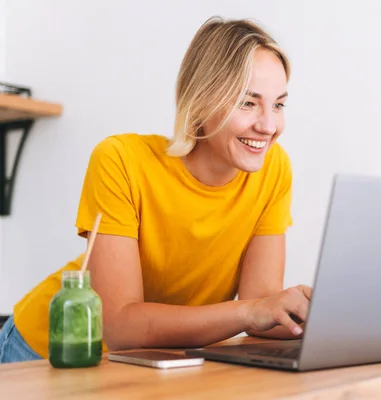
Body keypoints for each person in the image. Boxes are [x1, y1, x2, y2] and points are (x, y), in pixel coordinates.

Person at [0, 16, 312, 364]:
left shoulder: (274, 168)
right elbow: (120, 328)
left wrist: (315, 315)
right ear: (201, 99)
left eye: (279, 104)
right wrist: (250, 311)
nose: (269, 126)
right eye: (247, 102)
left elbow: (262, 310)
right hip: (47, 351)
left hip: (152, 362)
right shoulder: (121, 160)